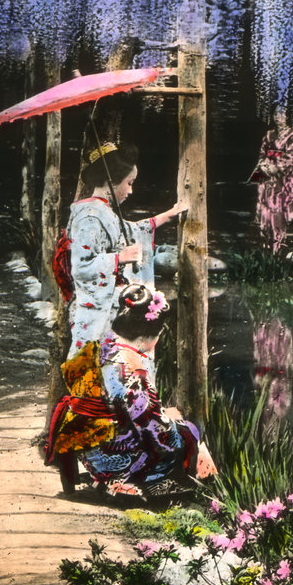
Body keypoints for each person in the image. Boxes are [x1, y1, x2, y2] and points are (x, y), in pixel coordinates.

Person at [46, 283, 212, 496]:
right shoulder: (132, 366)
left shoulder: (102, 348)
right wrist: (175, 423)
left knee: (173, 424)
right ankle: (191, 485)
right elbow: (149, 425)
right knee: (188, 430)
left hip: (88, 445)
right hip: (112, 456)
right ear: (147, 336)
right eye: (159, 334)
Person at [65, 140, 186, 354]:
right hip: (93, 314)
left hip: (109, 309)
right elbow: (80, 267)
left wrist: (166, 216)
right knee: (93, 374)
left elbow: (130, 230)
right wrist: (118, 258)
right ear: (111, 180)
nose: (131, 190)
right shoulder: (89, 216)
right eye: (129, 183)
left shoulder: (105, 212)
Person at [250, 111, 293, 252]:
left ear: (287, 116)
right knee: (265, 207)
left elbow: (291, 157)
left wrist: (276, 167)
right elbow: (262, 153)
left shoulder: (291, 136)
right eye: (276, 114)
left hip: (281, 179)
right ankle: (264, 243)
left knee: (277, 208)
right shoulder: (268, 134)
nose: (279, 118)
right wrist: (263, 166)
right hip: (267, 175)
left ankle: (278, 245)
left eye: (283, 114)